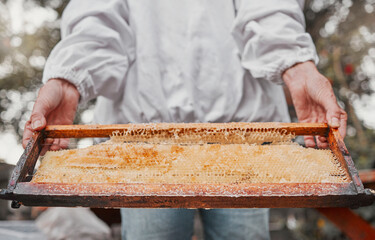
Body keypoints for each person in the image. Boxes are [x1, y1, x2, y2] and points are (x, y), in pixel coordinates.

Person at [22, 0, 347, 239]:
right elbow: (96, 18)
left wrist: (298, 64)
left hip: (242, 145)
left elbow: (268, 9)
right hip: (142, 150)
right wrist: (67, 79)